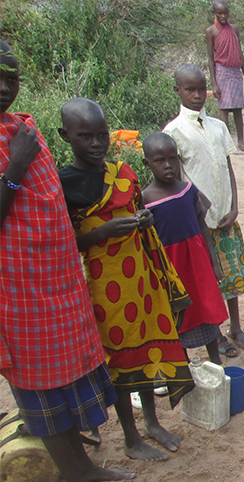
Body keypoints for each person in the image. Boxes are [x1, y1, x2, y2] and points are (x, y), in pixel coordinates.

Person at [0, 41, 138, 482]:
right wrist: (16, 165)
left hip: (55, 283)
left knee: (67, 382)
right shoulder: (17, 146)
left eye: (11, 78)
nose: (4, 87)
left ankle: (86, 470)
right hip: (18, 294)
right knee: (42, 393)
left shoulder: (20, 129)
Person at [58, 98, 194, 462]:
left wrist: (143, 220)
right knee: (119, 360)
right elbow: (65, 243)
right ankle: (131, 438)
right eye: (85, 136)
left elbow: (136, 211)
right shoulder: (63, 184)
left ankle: (151, 421)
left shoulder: (123, 172)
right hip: (103, 286)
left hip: (141, 278)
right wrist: (101, 232)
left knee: (148, 347)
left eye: (101, 135)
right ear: (65, 136)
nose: (96, 143)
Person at [164, 64, 244, 359]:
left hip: (226, 216)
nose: (198, 95)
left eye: (202, 89)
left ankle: (236, 326)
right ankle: (215, 334)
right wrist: (200, 210)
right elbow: (178, 181)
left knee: (231, 275)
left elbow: (228, 168)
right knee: (209, 280)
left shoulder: (217, 126)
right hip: (199, 222)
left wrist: (235, 205)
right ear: (178, 91)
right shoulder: (174, 132)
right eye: (190, 89)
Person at [141, 132, 228, 363]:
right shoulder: (144, 200)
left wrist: (214, 263)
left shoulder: (188, 190)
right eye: (160, 161)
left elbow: (202, 226)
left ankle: (216, 365)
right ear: (147, 164)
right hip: (170, 268)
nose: (168, 165)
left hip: (197, 265)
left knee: (205, 311)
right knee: (177, 318)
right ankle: (185, 370)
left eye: (173, 159)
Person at [206, 0, 244, 152]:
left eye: (225, 12)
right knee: (224, 110)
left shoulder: (234, 29)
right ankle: (226, 143)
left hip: (235, 72)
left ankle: (241, 142)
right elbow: (210, 59)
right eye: (219, 13)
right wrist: (214, 84)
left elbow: (240, 54)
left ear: (229, 13)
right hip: (221, 71)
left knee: (238, 108)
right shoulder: (211, 31)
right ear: (214, 13)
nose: (223, 16)